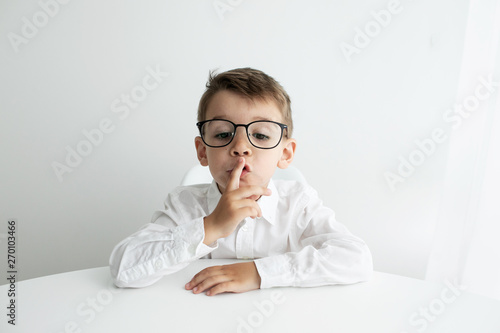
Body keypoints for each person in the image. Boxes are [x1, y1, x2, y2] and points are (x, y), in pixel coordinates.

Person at [109, 67, 372, 296]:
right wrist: (210, 226)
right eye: (223, 134)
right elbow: (124, 269)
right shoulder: (185, 205)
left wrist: (258, 273)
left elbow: (355, 258)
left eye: (260, 135)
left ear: (285, 153)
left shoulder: (298, 203)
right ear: (202, 151)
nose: (241, 147)